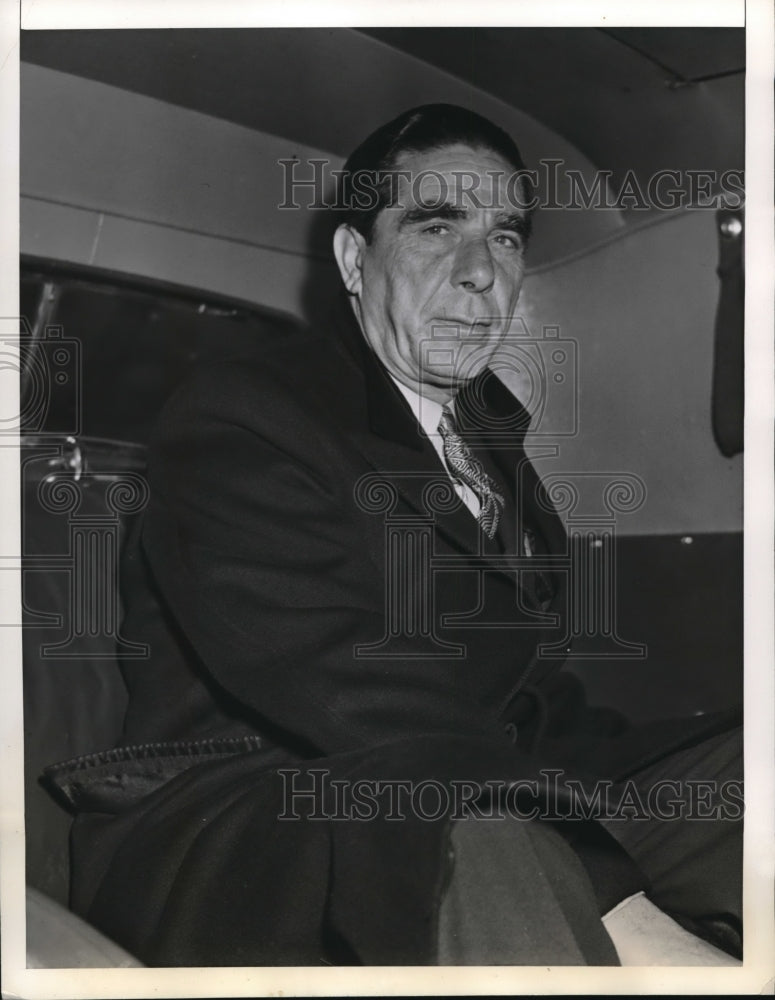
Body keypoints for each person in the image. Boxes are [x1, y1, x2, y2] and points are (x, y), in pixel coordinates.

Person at [53, 104, 742, 967]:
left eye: (505, 237)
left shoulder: (493, 447)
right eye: (434, 226)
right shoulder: (246, 415)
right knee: (470, 825)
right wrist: (630, 910)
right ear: (353, 258)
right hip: (265, 819)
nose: (479, 272)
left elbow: (524, 697)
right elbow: (351, 690)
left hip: (473, 779)